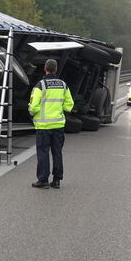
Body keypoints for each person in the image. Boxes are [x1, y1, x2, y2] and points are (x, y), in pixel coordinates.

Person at [29, 59, 74, 189]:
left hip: (43, 127)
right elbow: (69, 105)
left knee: (43, 152)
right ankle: (57, 180)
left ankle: (43, 180)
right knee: (57, 152)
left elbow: (33, 106)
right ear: (55, 69)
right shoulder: (63, 85)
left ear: (45, 69)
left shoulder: (40, 85)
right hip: (58, 125)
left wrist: (33, 114)